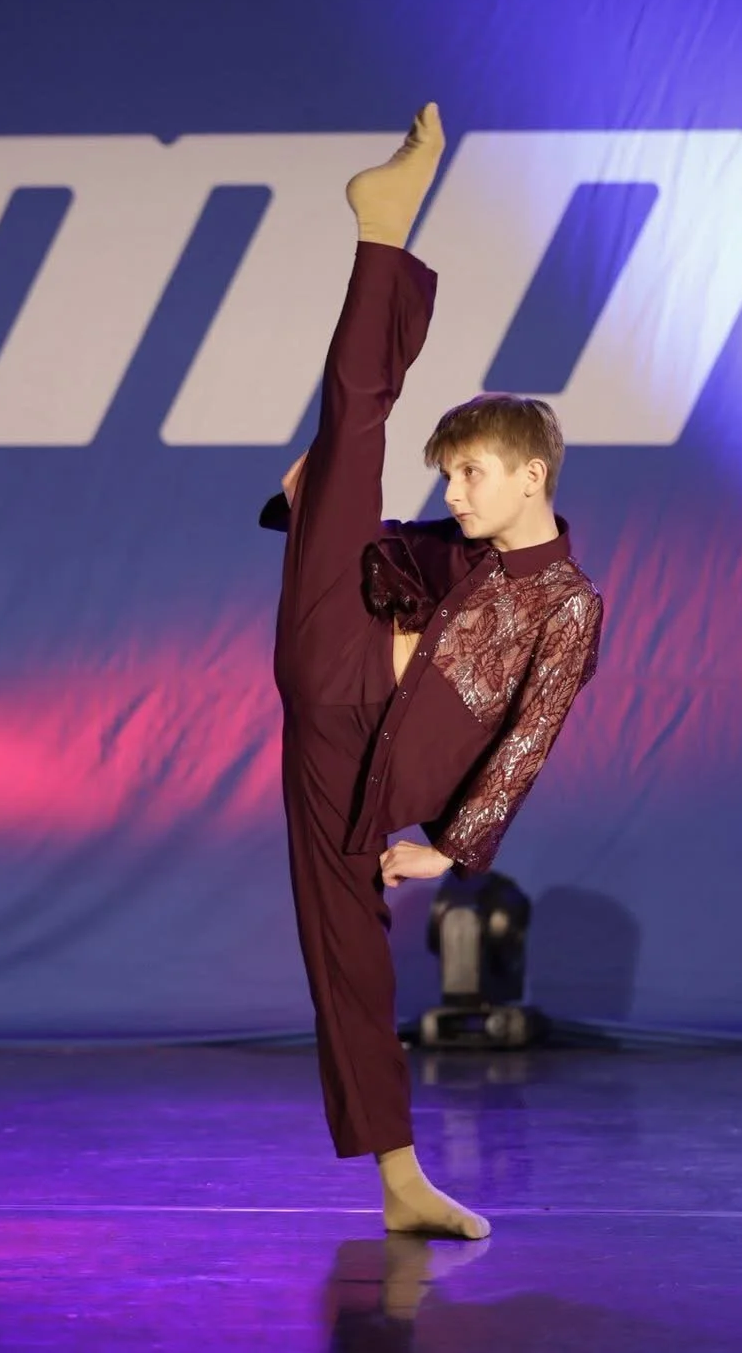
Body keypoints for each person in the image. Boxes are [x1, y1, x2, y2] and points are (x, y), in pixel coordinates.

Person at [260, 103, 603, 1241]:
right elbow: (369, 544)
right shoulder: (445, 543)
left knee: (345, 950)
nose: (452, 493)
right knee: (349, 424)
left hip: (356, 756)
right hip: (332, 645)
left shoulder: (565, 605)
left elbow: (528, 738)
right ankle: (381, 231)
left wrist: (451, 843)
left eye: (469, 473)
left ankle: (400, 1178)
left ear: (532, 473)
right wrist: (313, 497)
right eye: (447, 473)